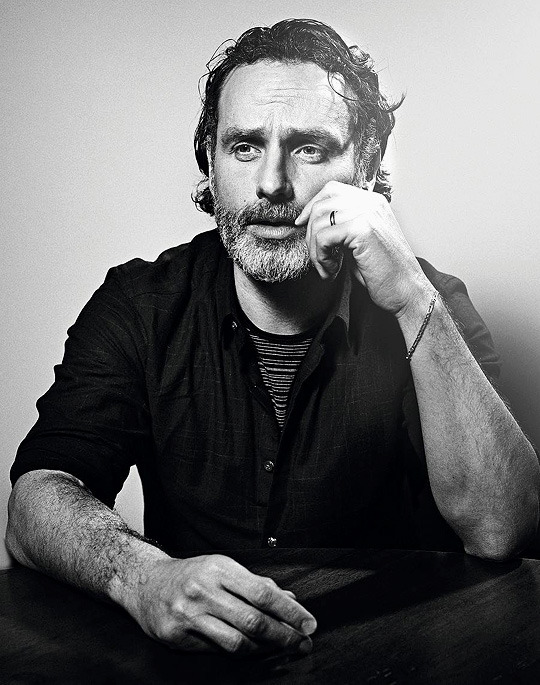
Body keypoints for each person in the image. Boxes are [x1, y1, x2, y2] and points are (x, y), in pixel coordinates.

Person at [6, 18, 540, 657]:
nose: (270, 184)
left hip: (386, 658)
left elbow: (502, 531)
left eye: (309, 148)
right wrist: (142, 577)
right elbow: (36, 499)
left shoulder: (430, 303)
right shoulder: (140, 305)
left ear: (366, 166)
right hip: (196, 663)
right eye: (244, 146)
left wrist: (410, 297)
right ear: (210, 162)